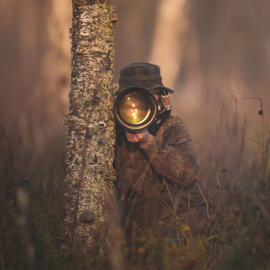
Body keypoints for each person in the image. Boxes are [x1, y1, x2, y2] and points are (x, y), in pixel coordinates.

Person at [115, 62, 208, 255]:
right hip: (135, 220)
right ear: (121, 100)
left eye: (149, 95)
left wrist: (149, 142)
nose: (136, 107)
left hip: (175, 215)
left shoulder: (171, 126)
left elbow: (187, 172)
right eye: (133, 99)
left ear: (160, 97)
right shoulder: (111, 129)